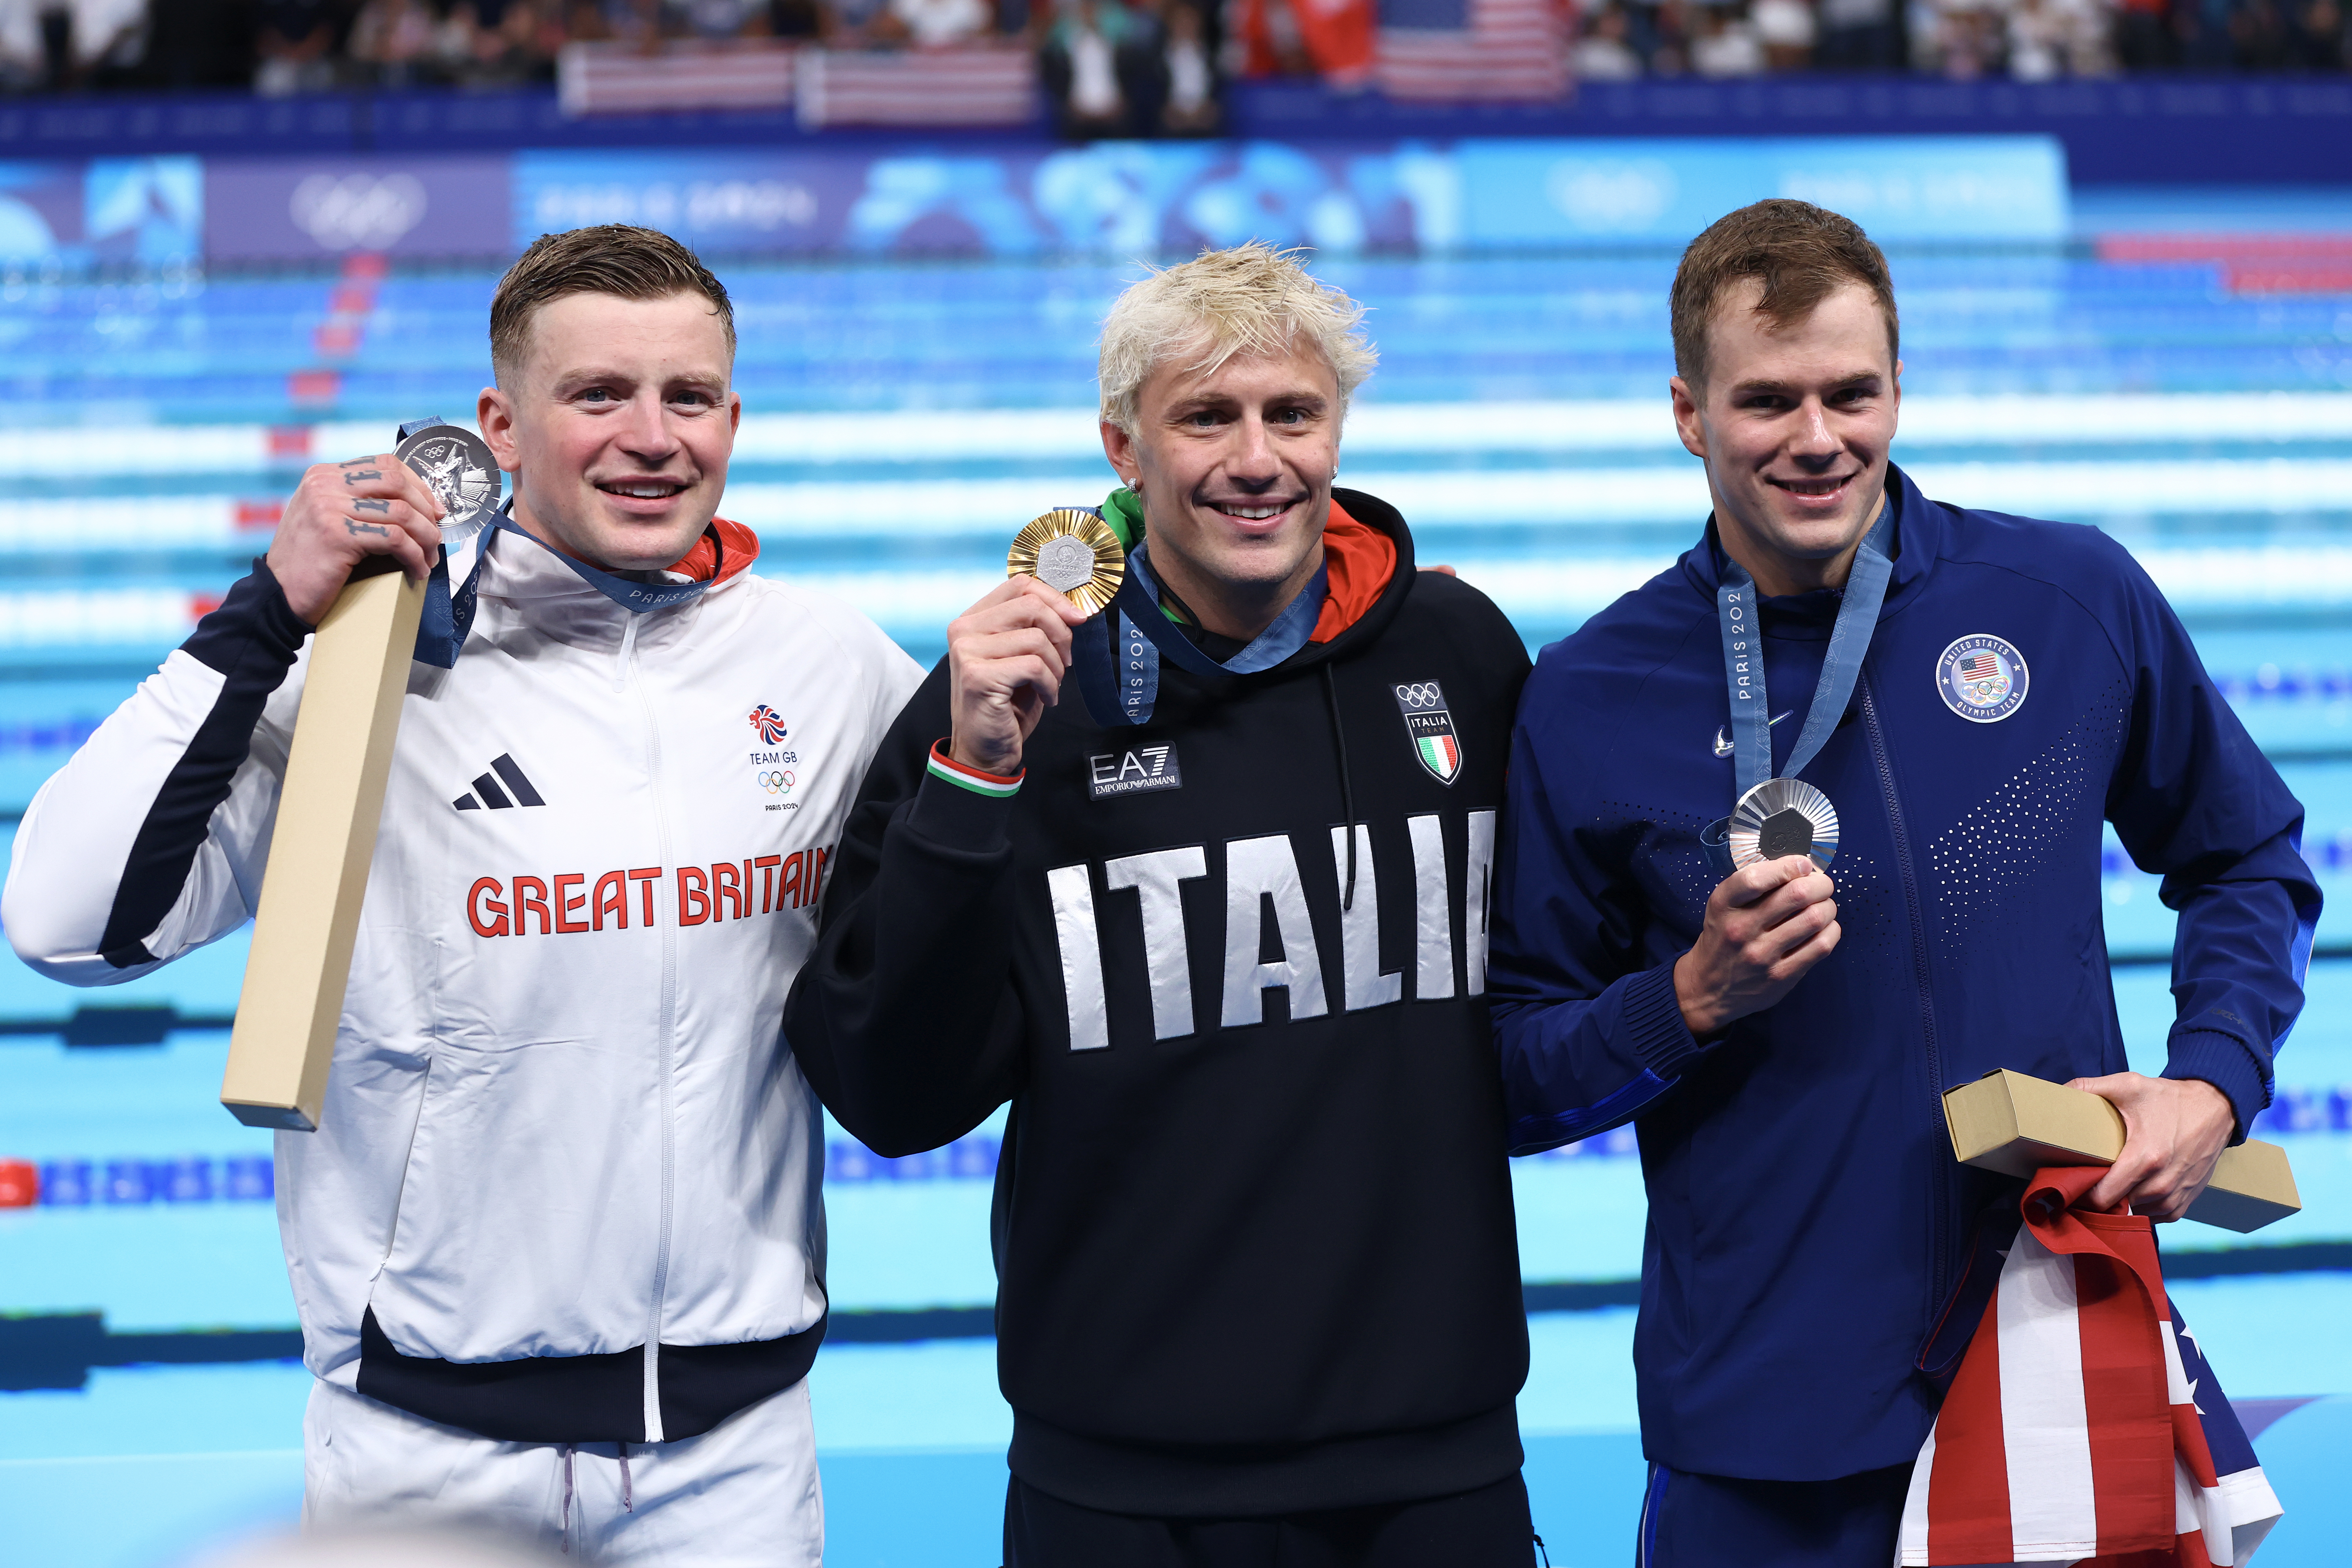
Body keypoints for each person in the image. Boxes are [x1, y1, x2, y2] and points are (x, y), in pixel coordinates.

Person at [3, 225, 921, 1564]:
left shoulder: (826, 665)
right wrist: (263, 614)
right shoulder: (372, 670)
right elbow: (67, 922)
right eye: (598, 394)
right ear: (500, 422)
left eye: (689, 397)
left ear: (735, 414)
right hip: (425, 1458)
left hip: (736, 1455)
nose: (652, 437)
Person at [1485, 198, 2317, 1567]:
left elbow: (2244, 856)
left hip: (2056, 1347)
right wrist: (1684, 1001)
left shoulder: (2065, 597)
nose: (1817, 438)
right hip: (1765, 1406)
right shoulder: (1591, 697)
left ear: (1897, 386)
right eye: (1766, 400)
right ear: (1687, 412)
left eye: (1849, 392)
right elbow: (1511, 1066)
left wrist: (2212, 1073)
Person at [784, 242, 1538, 1566]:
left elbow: (1549, 992)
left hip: (1435, 1462)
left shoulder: (1456, 654)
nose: (1257, 460)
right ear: (1122, 449)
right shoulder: (1009, 699)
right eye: (1207, 417)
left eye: (1290, 415)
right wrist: (972, 777)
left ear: (1335, 430)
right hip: (1122, 1484)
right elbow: (893, 1096)